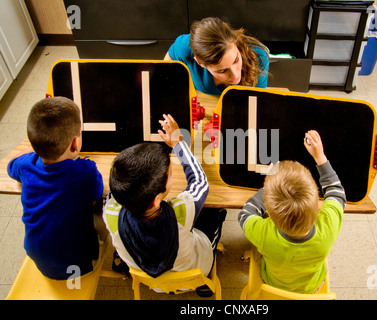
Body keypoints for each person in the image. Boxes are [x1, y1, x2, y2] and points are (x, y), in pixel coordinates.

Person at [103, 114, 226, 289]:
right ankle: (203, 282)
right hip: (195, 271)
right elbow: (200, 182)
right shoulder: (181, 211)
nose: (171, 173)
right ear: (156, 200)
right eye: (169, 173)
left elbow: (111, 195)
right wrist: (178, 144)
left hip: (150, 282)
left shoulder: (110, 213)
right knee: (214, 211)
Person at [238, 130, 346, 294]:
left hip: (273, 285)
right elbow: (336, 192)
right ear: (316, 203)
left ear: (271, 216)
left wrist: (268, 186)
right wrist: (320, 157)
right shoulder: (328, 228)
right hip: (312, 288)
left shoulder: (263, 234)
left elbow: (245, 214)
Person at [7, 97, 104, 280]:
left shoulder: (26, 165)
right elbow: (97, 191)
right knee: (102, 209)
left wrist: (32, 153)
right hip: (75, 264)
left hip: (37, 257)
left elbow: (11, 166)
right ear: (75, 143)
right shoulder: (85, 173)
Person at [164, 17, 269, 96]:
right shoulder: (185, 48)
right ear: (200, 63)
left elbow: (255, 103)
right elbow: (166, 70)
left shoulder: (258, 57)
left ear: (235, 43)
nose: (235, 75)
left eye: (236, 60)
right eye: (222, 71)